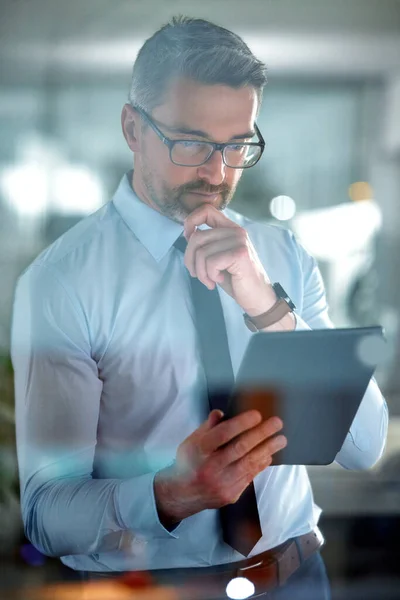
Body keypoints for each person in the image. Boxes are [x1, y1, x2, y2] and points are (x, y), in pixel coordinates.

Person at [11, 16, 388, 600]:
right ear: (133, 128)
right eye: (190, 142)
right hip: (148, 590)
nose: (217, 172)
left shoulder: (281, 256)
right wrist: (169, 493)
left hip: (296, 579)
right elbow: (45, 514)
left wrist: (266, 303)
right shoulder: (62, 283)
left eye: (237, 145)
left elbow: (363, 445)